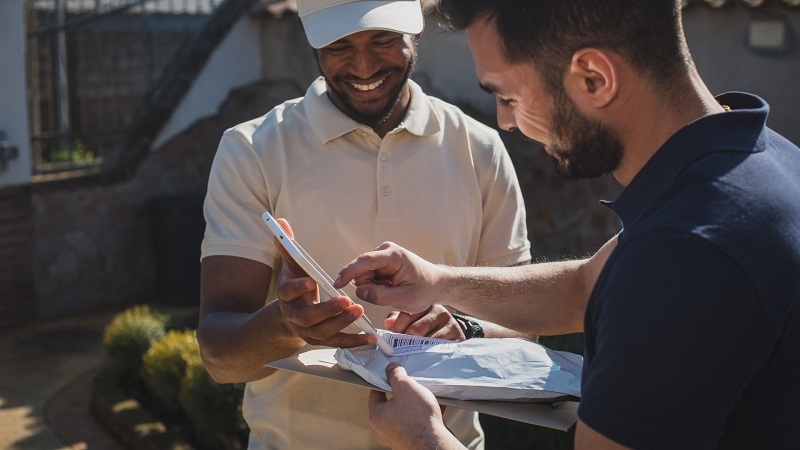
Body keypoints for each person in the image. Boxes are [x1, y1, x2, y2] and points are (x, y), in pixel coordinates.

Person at [330, 1, 800, 449]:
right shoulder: (752, 159)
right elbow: (583, 287)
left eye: (509, 96)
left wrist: (423, 440)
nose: (505, 122)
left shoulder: (684, 255)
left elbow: (652, 273)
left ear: (593, 78)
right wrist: (437, 282)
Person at [196, 0, 536, 448]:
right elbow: (220, 359)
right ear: (312, 43)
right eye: (339, 44)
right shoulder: (253, 151)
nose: (363, 65)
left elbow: (525, 325)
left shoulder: (480, 150)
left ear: (415, 34)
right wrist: (287, 326)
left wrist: (468, 328)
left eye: (382, 39)